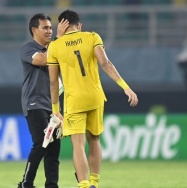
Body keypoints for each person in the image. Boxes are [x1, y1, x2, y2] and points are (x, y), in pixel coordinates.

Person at [47, 10, 138, 188]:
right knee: (94, 139)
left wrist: (55, 109)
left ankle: (84, 184)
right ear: (79, 25)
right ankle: (95, 182)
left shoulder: (55, 47)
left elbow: (52, 81)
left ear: (62, 27)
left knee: (78, 145)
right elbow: (106, 63)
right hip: (95, 97)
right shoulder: (92, 36)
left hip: (75, 100)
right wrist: (125, 87)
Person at [17, 13, 68, 188]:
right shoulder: (27, 48)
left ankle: (52, 185)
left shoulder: (55, 48)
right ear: (34, 30)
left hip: (52, 106)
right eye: (45, 27)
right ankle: (26, 183)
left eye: (50, 28)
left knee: (53, 150)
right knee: (41, 142)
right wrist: (59, 39)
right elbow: (44, 59)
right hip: (34, 103)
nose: (49, 31)